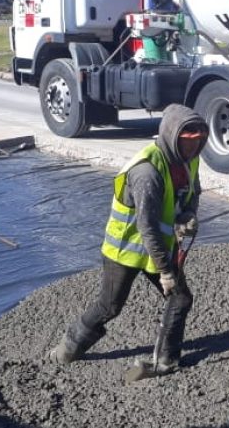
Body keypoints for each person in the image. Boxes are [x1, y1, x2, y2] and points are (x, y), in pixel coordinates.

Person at [47, 104, 207, 378]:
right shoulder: (147, 172)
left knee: (180, 299)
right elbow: (147, 227)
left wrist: (188, 214)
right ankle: (67, 350)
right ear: (171, 135)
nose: (193, 148)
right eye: (187, 142)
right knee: (109, 307)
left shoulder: (189, 160)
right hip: (125, 251)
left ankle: (166, 360)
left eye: (198, 142)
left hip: (154, 250)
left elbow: (193, 191)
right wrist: (166, 271)